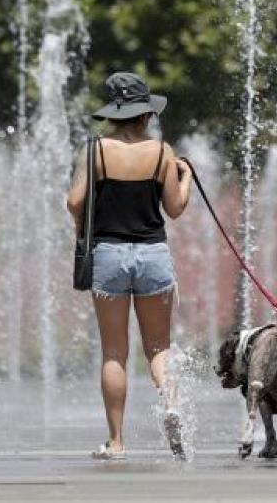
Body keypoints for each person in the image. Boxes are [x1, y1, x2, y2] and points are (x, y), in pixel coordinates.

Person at [67, 72, 192, 460]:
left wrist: (85, 230)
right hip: (153, 254)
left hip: (108, 254)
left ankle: (117, 442)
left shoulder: (94, 151)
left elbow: (74, 202)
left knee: (114, 353)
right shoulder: (162, 152)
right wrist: (184, 178)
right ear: (144, 115)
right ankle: (171, 404)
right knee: (158, 347)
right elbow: (174, 208)